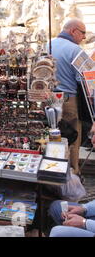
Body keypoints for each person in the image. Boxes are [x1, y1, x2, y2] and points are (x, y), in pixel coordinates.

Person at [50, 19, 87, 174]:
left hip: (48, 99)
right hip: (68, 101)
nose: (84, 37)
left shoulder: (48, 45)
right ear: (73, 31)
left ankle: (51, 171)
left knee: (51, 138)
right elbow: (88, 80)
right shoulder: (76, 51)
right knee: (72, 137)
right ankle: (72, 174)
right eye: (83, 33)